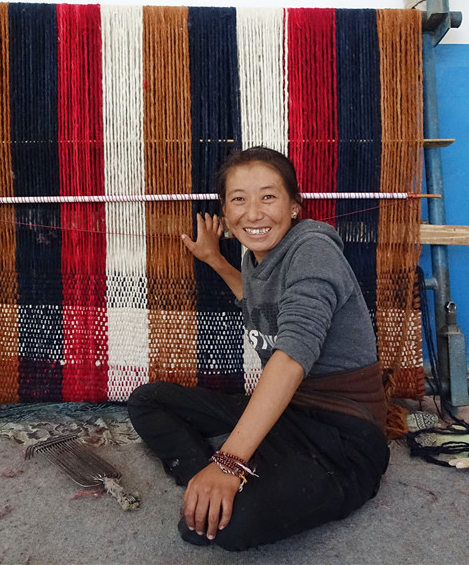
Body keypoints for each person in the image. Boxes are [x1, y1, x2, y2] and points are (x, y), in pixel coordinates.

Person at [127, 146, 390, 551]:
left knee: (218, 530)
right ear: (226, 213)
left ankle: (228, 476)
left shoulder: (312, 250)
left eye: (268, 197)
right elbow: (257, 302)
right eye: (239, 199)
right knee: (148, 400)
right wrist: (215, 259)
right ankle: (214, 479)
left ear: (295, 206)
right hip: (285, 413)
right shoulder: (257, 257)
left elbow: (290, 359)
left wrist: (230, 461)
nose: (253, 213)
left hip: (343, 439)